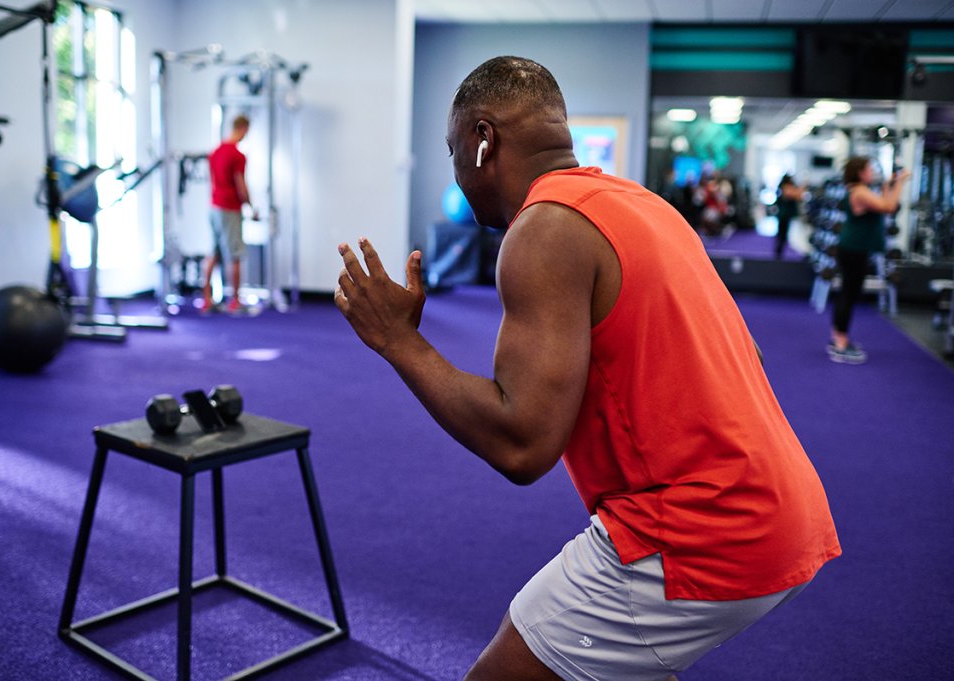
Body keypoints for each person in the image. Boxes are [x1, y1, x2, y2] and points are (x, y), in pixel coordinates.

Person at [334, 56, 840, 681]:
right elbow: (749, 356)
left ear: (482, 140)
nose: (457, 172)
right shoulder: (642, 205)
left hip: (699, 531)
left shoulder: (543, 230)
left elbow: (522, 444)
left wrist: (397, 340)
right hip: (788, 512)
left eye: (452, 150)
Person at [828, 157, 909, 364]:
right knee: (849, 294)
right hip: (853, 249)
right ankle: (840, 343)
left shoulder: (859, 190)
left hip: (855, 249)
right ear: (860, 172)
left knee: (849, 293)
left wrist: (887, 186)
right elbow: (889, 206)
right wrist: (900, 182)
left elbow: (882, 202)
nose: (872, 172)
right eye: (869, 169)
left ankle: (838, 336)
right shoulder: (860, 192)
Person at [202, 114, 257, 314]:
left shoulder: (215, 152)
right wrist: (250, 206)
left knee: (214, 253)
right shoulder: (237, 155)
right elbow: (241, 185)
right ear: (243, 128)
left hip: (214, 207)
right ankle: (235, 302)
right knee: (235, 254)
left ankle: (207, 300)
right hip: (229, 208)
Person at [774, 174, 804, 259]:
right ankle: (779, 251)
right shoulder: (785, 188)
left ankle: (780, 250)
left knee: (784, 233)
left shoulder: (783, 188)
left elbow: (798, 197)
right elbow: (792, 195)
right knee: (782, 233)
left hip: (786, 214)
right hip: (784, 214)